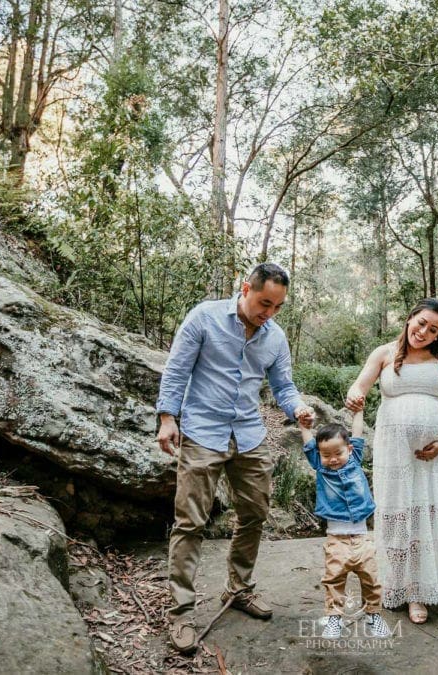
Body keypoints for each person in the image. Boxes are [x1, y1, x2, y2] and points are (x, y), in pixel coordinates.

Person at [155, 262, 315, 655]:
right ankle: (180, 613)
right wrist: (166, 418)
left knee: (255, 513)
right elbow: (176, 371)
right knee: (190, 521)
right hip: (202, 431)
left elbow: (283, 386)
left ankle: (239, 587)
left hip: (248, 434)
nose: (269, 314)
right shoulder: (204, 318)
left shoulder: (274, 337)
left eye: (278, 307)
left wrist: (298, 408)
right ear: (245, 289)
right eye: (264, 303)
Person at [344, 298, 438, 625]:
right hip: (393, 450)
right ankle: (395, 584)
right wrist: (355, 394)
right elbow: (360, 384)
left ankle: (418, 592)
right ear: (410, 319)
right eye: (421, 323)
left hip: (431, 454)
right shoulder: (383, 353)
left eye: (433, 329)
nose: (423, 332)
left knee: (426, 513)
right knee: (396, 513)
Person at [298, 409, 392, 639]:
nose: (332, 459)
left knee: (371, 578)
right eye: (326, 454)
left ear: (349, 450)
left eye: (338, 453)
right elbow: (310, 445)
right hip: (336, 539)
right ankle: (334, 618)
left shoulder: (355, 459)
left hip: (362, 537)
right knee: (334, 579)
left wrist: (359, 411)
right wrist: (303, 426)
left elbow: (357, 432)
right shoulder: (321, 468)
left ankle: (373, 615)